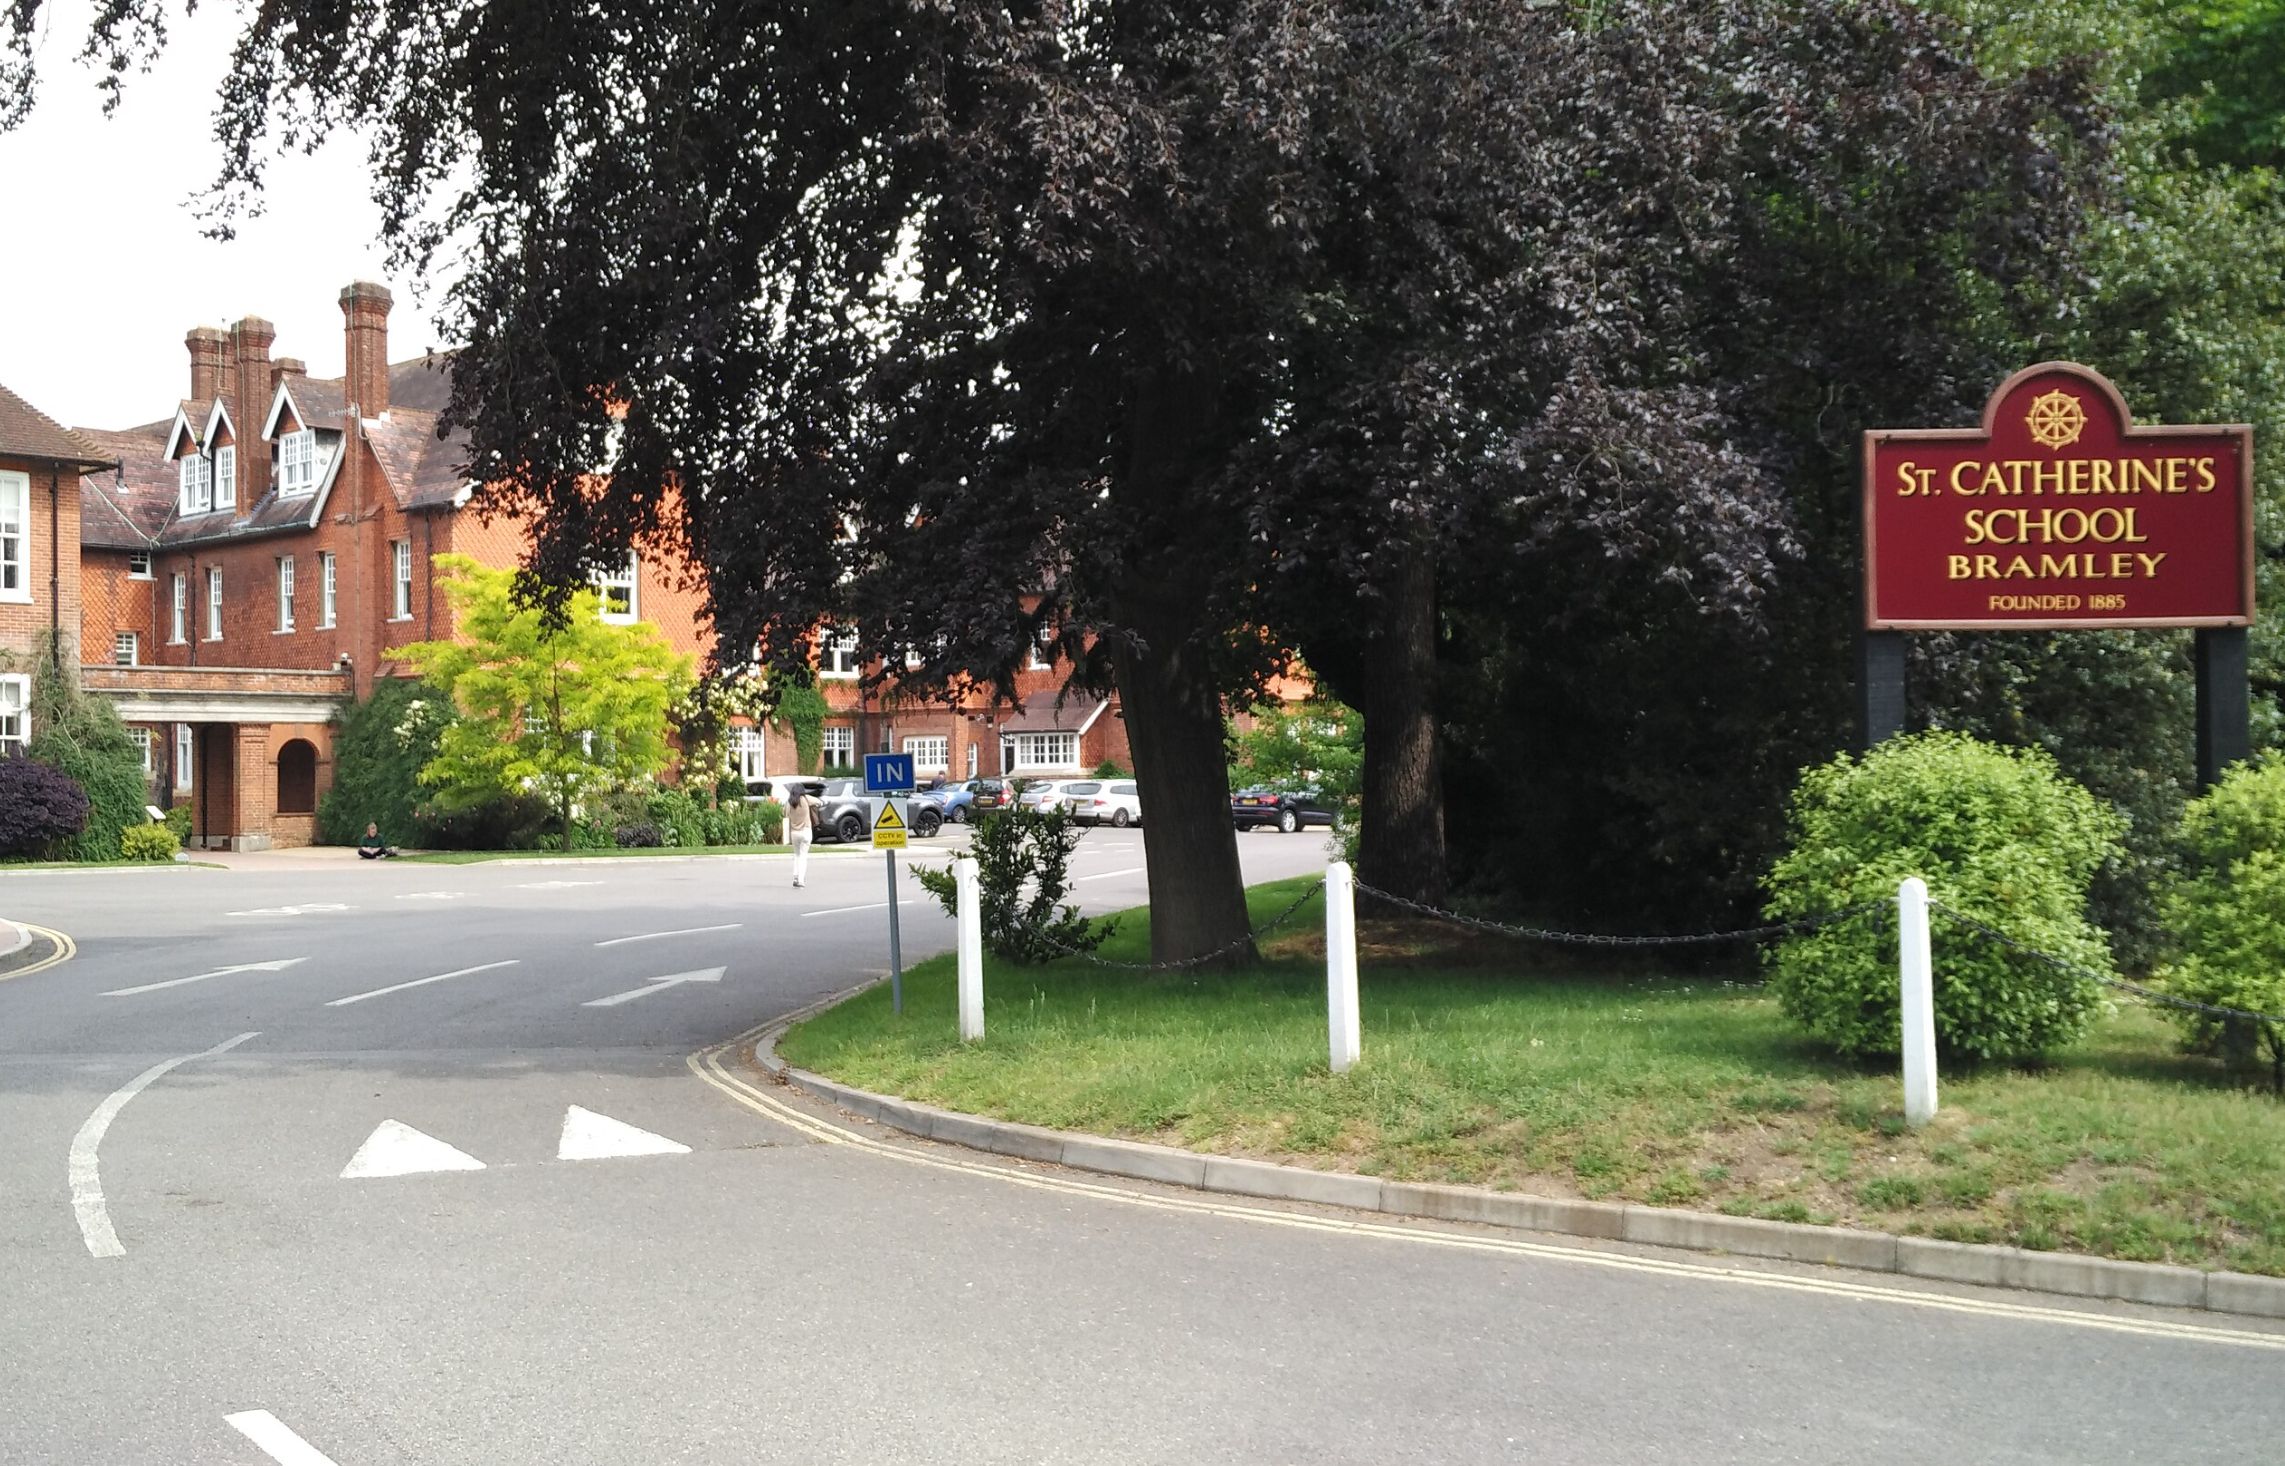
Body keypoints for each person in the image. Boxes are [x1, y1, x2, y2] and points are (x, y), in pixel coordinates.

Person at [785, 784, 817, 887]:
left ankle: (795, 877)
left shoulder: (789, 802)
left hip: (794, 833)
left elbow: (785, 814)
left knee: (797, 855)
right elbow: (819, 802)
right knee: (803, 856)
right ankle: (801, 880)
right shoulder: (806, 799)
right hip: (806, 831)